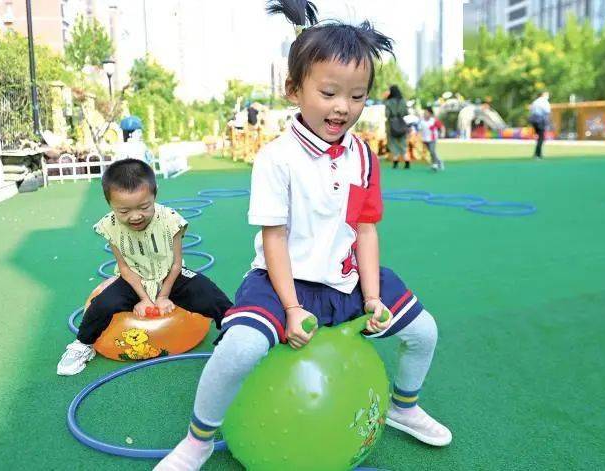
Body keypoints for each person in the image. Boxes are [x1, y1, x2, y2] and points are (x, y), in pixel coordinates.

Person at [154, 2, 451, 469]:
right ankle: (197, 441)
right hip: (283, 279)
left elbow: (365, 229)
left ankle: (404, 408)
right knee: (241, 347)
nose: (343, 107)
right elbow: (275, 239)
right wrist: (291, 308)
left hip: (347, 278)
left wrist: (373, 297)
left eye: (357, 96)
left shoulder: (364, 157)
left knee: (424, 331)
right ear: (294, 89)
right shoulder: (277, 158)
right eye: (329, 91)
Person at [56, 159, 232, 376]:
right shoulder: (109, 226)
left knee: (209, 293)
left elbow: (176, 264)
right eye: (124, 211)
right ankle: (83, 345)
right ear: (110, 205)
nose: (135, 216)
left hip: (171, 276)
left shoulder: (170, 220)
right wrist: (145, 299)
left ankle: (235, 333)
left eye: (144, 207)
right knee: (101, 304)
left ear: (154, 197)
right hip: (134, 279)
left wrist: (163, 296)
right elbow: (125, 269)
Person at [386, 85, 410, 169]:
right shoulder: (403, 101)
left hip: (392, 124)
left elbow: (387, 114)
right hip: (402, 123)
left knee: (393, 143)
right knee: (403, 143)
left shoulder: (388, 102)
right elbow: (406, 112)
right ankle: (406, 161)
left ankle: (395, 162)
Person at [528, 91, 551, 159]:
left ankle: (538, 153)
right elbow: (547, 111)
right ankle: (538, 154)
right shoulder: (544, 101)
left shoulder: (535, 101)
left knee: (539, 137)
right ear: (543, 95)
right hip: (540, 120)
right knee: (541, 137)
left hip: (533, 120)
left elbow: (531, 110)